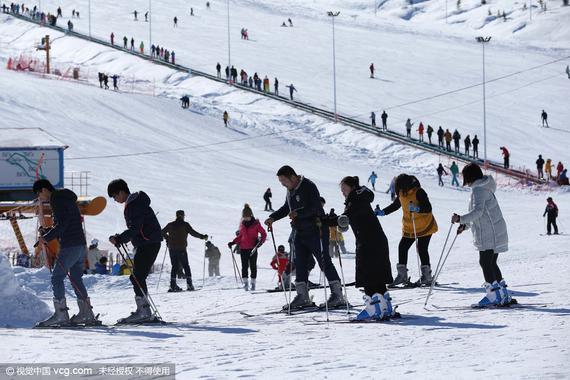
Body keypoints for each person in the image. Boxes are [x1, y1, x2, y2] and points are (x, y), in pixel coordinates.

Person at [265, 165, 345, 309]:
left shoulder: (308, 186)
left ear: (292, 177)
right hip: (299, 231)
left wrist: (298, 213)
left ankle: (338, 295)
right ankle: (303, 296)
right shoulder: (290, 191)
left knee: (324, 262)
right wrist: (273, 217)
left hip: (316, 229)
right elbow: (286, 208)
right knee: (300, 263)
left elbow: (315, 207)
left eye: (284, 181)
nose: (283, 184)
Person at [33, 179, 99, 327]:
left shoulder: (57, 199)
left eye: (39, 194)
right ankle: (86, 313)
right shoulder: (66, 199)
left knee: (57, 277)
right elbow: (65, 222)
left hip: (70, 244)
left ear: (44, 190)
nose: (40, 198)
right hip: (80, 244)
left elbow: (62, 224)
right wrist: (48, 232)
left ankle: (61, 314)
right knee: (76, 277)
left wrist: (47, 237)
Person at [452, 163, 513, 307]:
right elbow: (480, 214)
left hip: (489, 233)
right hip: (494, 231)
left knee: (485, 262)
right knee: (491, 263)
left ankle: (494, 296)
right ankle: (502, 294)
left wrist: (460, 218)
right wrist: (464, 225)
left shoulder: (478, 190)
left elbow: (478, 212)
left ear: (470, 176)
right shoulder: (484, 187)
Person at [339, 176, 395, 320]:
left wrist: (325, 220)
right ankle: (385, 306)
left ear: (351, 188)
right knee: (379, 274)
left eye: (344, 189)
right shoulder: (362, 197)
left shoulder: (354, 201)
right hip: (379, 240)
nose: (343, 192)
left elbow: (346, 216)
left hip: (366, 242)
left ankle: (373, 309)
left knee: (368, 275)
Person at [108, 179, 162, 323]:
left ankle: (144, 312)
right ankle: (144, 310)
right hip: (147, 242)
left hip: (148, 243)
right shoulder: (135, 203)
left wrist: (120, 238)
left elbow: (135, 228)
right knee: (137, 277)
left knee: (137, 277)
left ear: (121, 192)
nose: (115, 199)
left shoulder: (134, 204)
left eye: (114, 196)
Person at [379, 174, 438, 287]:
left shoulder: (418, 192)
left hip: (425, 225)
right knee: (402, 247)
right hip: (410, 226)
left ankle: (427, 276)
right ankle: (402, 275)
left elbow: (428, 207)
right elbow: (395, 206)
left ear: (405, 185)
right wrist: (382, 212)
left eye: (399, 187)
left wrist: (417, 208)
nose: (398, 190)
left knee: (421, 249)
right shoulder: (402, 193)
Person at [162, 210, 208, 292]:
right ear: (182, 216)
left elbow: (161, 232)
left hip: (172, 249)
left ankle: (172, 285)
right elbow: (193, 233)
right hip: (181, 249)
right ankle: (189, 284)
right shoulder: (185, 225)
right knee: (186, 265)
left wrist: (168, 238)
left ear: (176, 216)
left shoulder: (170, 225)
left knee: (174, 266)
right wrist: (202, 236)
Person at [229, 204, 267, 291]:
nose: (246, 218)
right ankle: (245, 284)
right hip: (243, 248)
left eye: (247, 217)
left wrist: (260, 242)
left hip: (253, 248)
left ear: (251, 215)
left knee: (253, 266)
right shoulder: (242, 225)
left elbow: (264, 234)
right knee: (244, 266)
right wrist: (233, 242)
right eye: (244, 217)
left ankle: (253, 284)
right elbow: (240, 236)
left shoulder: (256, 224)